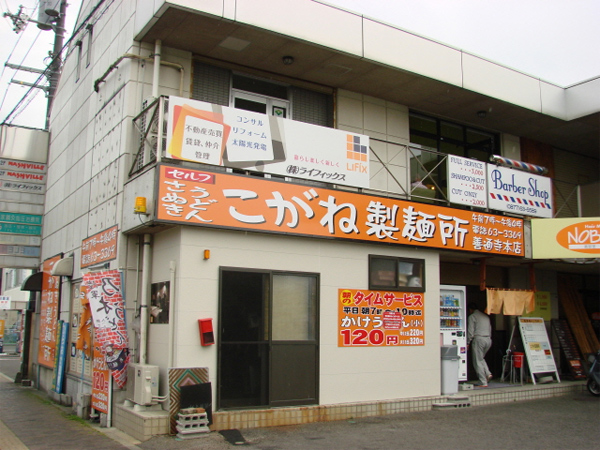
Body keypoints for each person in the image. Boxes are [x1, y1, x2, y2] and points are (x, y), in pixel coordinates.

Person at [467, 302, 493, 387]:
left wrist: (467, 342)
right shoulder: (486, 316)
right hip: (488, 339)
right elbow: (490, 329)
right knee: (481, 358)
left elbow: (470, 331)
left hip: (479, 339)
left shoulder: (472, 317)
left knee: (477, 361)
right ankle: (488, 374)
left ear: (470, 310)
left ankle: (483, 382)